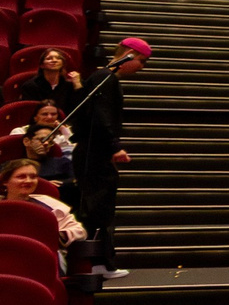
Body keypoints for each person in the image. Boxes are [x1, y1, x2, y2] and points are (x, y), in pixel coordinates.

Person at [68, 36, 148, 277]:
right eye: (142, 61)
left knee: (99, 208)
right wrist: (114, 146)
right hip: (96, 153)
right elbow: (102, 116)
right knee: (97, 208)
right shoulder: (106, 78)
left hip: (92, 151)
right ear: (129, 55)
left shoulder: (100, 77)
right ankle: (95, 263)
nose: (142, 67)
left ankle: (100, 262)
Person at [0, 156, 86, 249]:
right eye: (21, 177)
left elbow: (80, 231)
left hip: (41, 254)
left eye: (33, 177)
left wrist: (53, 236)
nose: (28, 181)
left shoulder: (50, 204)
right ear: (5, 181)